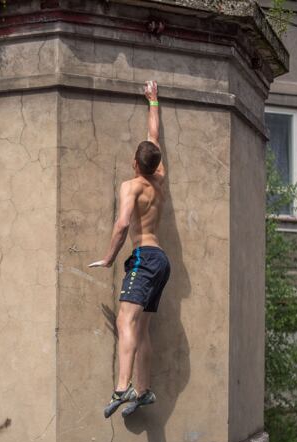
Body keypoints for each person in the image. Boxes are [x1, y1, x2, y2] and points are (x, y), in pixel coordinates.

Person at [88, 80, 171, 418]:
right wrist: (153, 101)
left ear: (134, 162)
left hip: (143, 258)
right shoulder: (159, 178)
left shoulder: (131, 186)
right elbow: (154, 137)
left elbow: (122, 224)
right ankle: (145, 389)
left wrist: (109, 258)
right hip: (161, 260)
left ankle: (122, 388)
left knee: (126, 320)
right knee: (142, 327)